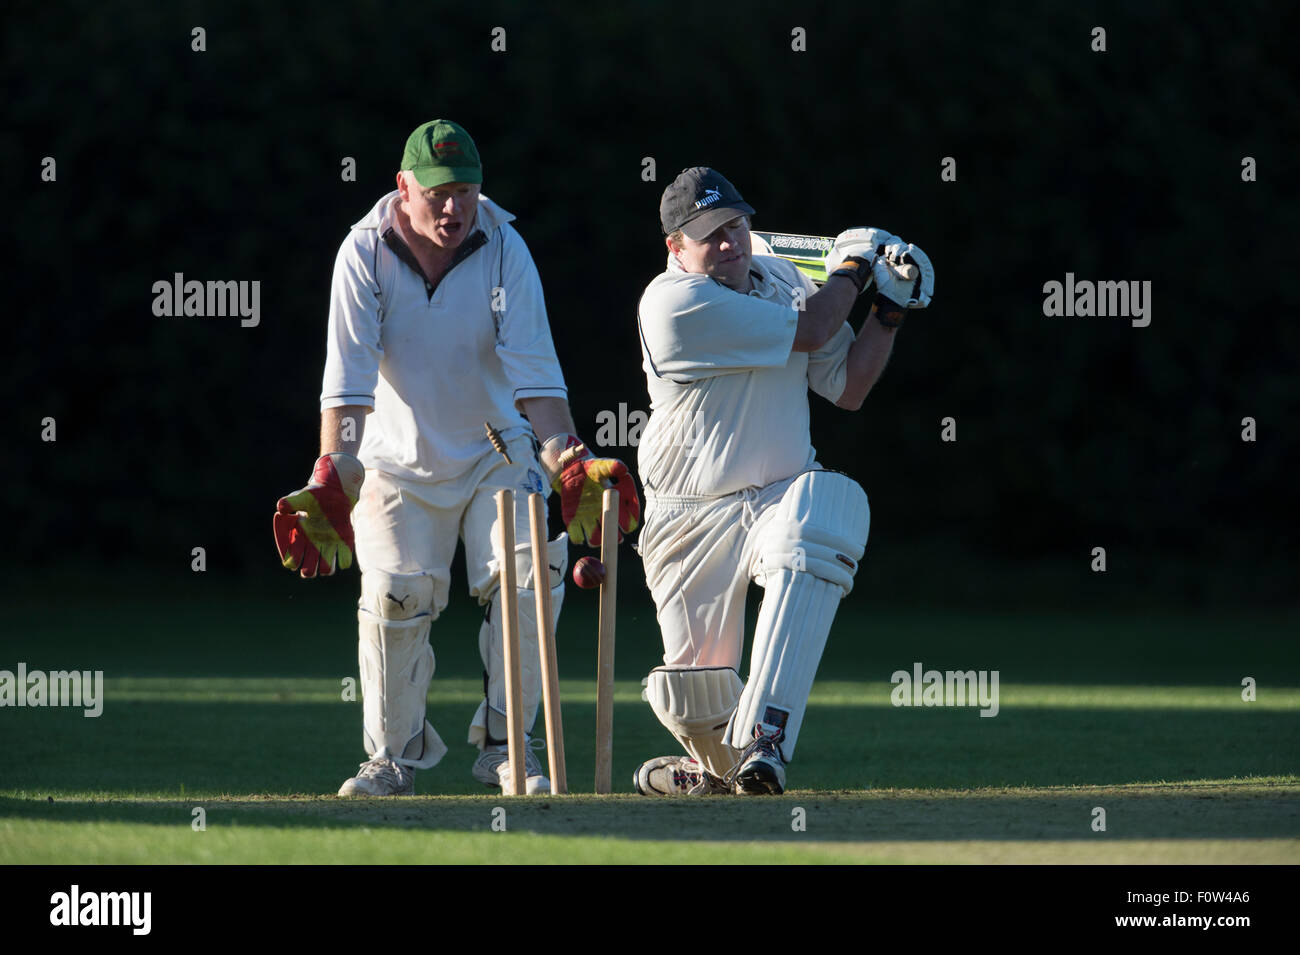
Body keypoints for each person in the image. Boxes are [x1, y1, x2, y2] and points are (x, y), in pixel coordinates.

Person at [273, 119, 639, 796]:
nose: (453, 207)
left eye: (466, 190)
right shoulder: (363, 253)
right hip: (394, 459)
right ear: (402, 187)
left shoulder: (505, 247)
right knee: (394, 594)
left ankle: (508, 746)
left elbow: (537, 380)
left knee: (531, 572)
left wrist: (569, 458)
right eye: (438, 192)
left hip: (495, 449)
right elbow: (348, 384)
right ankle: (392, 755)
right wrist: (332, 472)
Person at [632, 167, 932, 795]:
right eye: (710, 234)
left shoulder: (787, 281)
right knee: (692, 696)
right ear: (676, 248)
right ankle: (714, 768)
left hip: (778, 493)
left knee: (827, 507)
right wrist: (852, 268)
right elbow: (814, 329)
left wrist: (890, 310)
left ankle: (767, 740)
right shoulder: (674, 304)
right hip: (689, 512)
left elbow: (846, 386)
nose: (730, 242)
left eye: (737, 225)